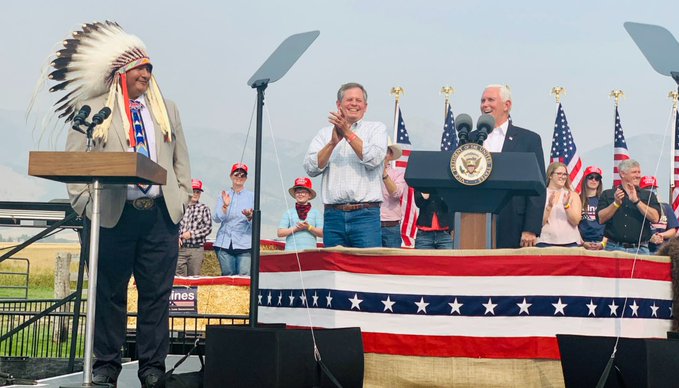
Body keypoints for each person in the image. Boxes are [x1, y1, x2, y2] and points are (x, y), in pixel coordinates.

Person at [50, 22, 192, 387]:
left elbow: (181, 161)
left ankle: (151, 368)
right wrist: (85, 204)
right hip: (112, 214)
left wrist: (181, 198)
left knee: (157, 295)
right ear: (120, 74)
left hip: (159, 216)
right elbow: (75, 162)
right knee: (109, 293)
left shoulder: (166, 109)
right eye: (140, 68)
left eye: (149, 68)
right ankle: (107, 365)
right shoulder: (94, 108)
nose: (147, 73)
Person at [303, 82, 388, 248]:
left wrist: (347, 133)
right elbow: (311, 168)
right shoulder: (324, 133)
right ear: (338, 104)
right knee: (334, 269)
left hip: (365, 215)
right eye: (349, 99)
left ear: (365, 106)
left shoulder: (376, 129)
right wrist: (332, 144)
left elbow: (374, 159)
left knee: (366, 268)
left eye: (358, 100)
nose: (354, 104)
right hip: (333, 215)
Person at [470, 84, 546, 248]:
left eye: (491, 100)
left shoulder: (528, 140)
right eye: (483, 100)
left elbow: (538, 187)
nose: (485, 105)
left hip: (514, 223)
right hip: (473, 221)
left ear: (507, 105)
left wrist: (530, 228)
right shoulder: (471, 138)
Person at [597, 159, 661, 254]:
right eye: (634, 172)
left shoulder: (648, 195)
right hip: (613, 248)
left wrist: (636, 201)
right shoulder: (608, 194)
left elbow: (655, 218)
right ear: (622, 174)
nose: (638, 175)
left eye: (639, 172)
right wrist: (615, 204)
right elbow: (600, 219)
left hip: (640, 249)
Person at [213, 163, 254, 275]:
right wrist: (225, 206)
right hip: (224, 242)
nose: (239, 177)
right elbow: (216, 218)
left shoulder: (252, 196)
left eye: (242, 175)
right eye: (236, 174)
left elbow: (257, 224)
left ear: (246, 178)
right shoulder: (224, 195)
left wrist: (250, 216)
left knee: (244, 276)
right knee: (227, 277)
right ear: (231, 176)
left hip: (245, 243)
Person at [536, 162, 582, 247]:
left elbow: (576, 221)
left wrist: (566, 206)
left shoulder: (572, 195)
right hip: (545, 241)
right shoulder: (541, 194)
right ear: (550, 175)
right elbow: (539, 223)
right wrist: (549, 207)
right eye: (559, 174)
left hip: (570, 242)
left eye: (565, 174)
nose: (563, 177)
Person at [176, 179, 212, 276]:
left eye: (198, 192)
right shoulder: (179, 207)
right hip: (180, 249)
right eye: (193, 191)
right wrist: (177, 237)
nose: (195, 194)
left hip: (196, 249)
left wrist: (191, 234)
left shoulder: (204, 208)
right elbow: (173, 225)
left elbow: (208, 228)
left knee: (194, 279)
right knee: (178, 279)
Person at [277, 177, 323, 250]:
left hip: (310, 252)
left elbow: (322, 233)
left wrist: (308, 227)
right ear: (295, 194)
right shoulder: (288, 212)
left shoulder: (316, 213)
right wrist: (296, 228)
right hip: (291, 252)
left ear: (309, 195)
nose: (300, 194)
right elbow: (280, 233)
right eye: (298, 192)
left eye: (303, 192)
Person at [639, 176, 679, 254]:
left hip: (662, 251)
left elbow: (673, 230)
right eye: (647, 188)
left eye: (653, 188)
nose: (651, 191)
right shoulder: (637, 208)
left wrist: (662, 235)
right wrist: (650, 239)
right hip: (642, 251)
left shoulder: (665, 207)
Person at [381, 143, 406, 248]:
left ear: (390, 155)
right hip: (369, 223)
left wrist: (382, 171)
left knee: (392, 262)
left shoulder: (399, 173)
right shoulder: (366, 173)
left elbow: (396, 193)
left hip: (390, 226)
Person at [578, 166, 606, 250]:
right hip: (582, 243)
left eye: (597, 178)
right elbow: (573, 225)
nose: (594, 180)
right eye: (590, 177)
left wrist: (603, 243)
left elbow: (609, 225)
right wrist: (582, 243)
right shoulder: (577, 199)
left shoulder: (604, 200)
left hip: (601, 242)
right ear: (585, 179)